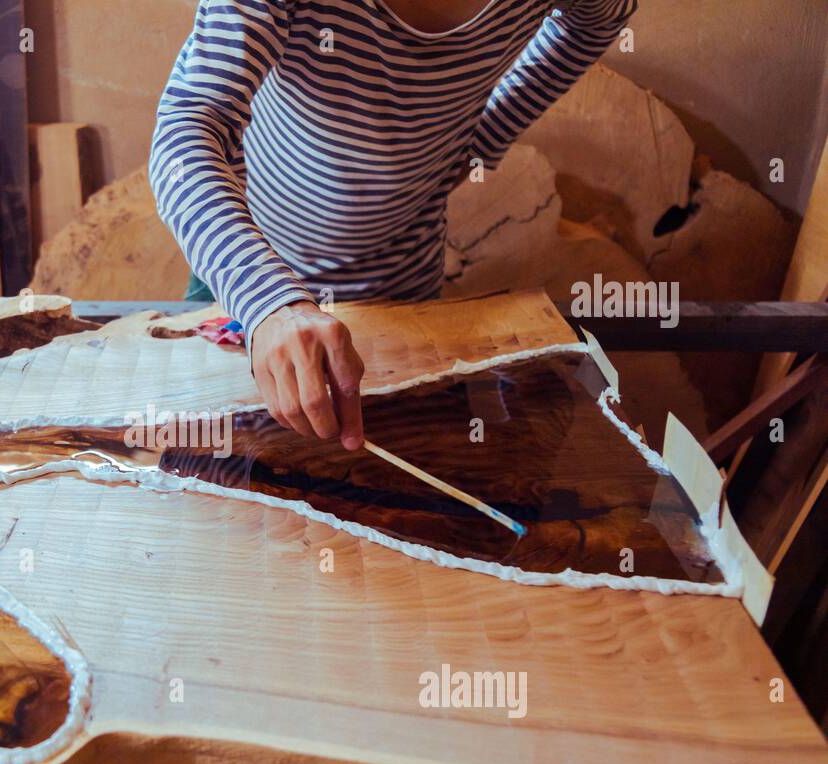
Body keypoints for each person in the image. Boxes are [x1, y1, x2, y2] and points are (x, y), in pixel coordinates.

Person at [150, 0, 636, 449]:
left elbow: (599, 20)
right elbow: (188, 124)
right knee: (227, 484)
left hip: (402, 277)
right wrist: (265, 300)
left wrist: (480, 143)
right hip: (242, 276)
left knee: (393, 483)